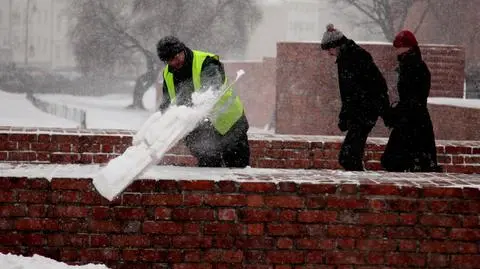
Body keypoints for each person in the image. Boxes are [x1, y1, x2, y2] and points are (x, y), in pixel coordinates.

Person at [154, 36, 250, 168]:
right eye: (170, 60)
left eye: (177, 57)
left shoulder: (206, 62)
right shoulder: (168, 74)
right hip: (201, 132)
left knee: (238, 170)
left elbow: (212, 88)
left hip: (230, 123)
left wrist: (196, 107)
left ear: (182, 50)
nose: (175, 62)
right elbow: (167, 104)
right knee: (208, 170)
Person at [320, 24, 390, 171]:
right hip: (363, 110)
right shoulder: (349, 56)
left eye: (329, 49)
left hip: (365, 110)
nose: (329, 53)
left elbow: (354, 91)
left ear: (336, 45)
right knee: (351, 154)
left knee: (348, 156)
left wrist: (346, 115)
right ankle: (358, 178)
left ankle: (359, 182)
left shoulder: (353, 57)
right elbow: (351, 93)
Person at [381, 30, 442, 172]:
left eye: (399, 46)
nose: (396, 50)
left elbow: (414, 96)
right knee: (407, 162)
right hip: (414, 118)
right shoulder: (411, 64)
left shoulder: (413, 66)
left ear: (408, 47)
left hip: (412, 118)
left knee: (398, 161)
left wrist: (398, 112)